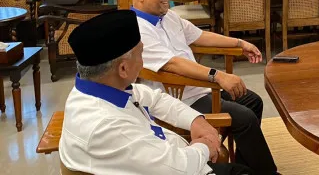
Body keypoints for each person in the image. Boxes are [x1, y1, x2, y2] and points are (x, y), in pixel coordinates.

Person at [60, 10, 249, 175]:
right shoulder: (106, 126)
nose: (143, 63)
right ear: (123, 69)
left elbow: (157, 99)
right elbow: (178, 168)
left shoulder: (101, 89)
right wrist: (205, 146)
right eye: (141, 54)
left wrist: (195, 120)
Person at [130, 0, 278, 174]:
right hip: (178, 97)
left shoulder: (168, 16)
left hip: (200, 87)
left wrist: (239, 42)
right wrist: (217, 76)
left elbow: (200, 36)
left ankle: (246, 168)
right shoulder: (136, 29)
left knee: (253, 101)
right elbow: (173, 64)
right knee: (245, 118)